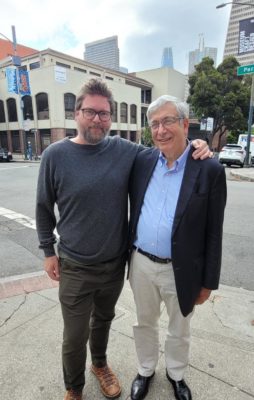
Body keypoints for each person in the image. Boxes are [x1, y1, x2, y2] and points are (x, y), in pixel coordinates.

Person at [35, 79, 211, 400]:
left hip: (114, 265)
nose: (97, 119)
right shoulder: (55, 155)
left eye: (104, 114)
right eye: (91, 112)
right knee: (74, 336)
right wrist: (48, 251)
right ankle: (74, 388)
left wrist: (197, 144)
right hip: (74, 265)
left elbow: (166, 147)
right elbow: (43, 207)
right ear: (77, 113)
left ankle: (99, 365)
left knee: (103, 321)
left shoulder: (124, 151)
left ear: (111, 118)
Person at [128, 95, 227, 400]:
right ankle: (145, 370)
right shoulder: (142, 160)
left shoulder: (209, 169)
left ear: (185, 124)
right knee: (143, 322)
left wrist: (208, 282)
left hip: (181, 268)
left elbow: (214, 233)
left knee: (179, 327)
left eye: (168, 121)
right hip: (141, 263)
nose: (160, 130)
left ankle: (176, 374)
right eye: (154, 124)